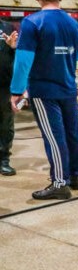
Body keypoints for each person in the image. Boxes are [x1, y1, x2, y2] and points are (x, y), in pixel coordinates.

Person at [10, 0, 78, 199]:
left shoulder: (32, 22)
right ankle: (76, 175)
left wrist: (16, 91)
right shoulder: (74, 24)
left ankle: (60, 183)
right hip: (68, 87)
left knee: (54, 136)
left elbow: (24, 61)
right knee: (73, 132)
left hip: (44, 90)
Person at [0, 20, 18, 176]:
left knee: (6, 125)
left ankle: (4, 160)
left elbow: (17, 55)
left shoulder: (7, 27)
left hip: (4, 84)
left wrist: (13, 46)